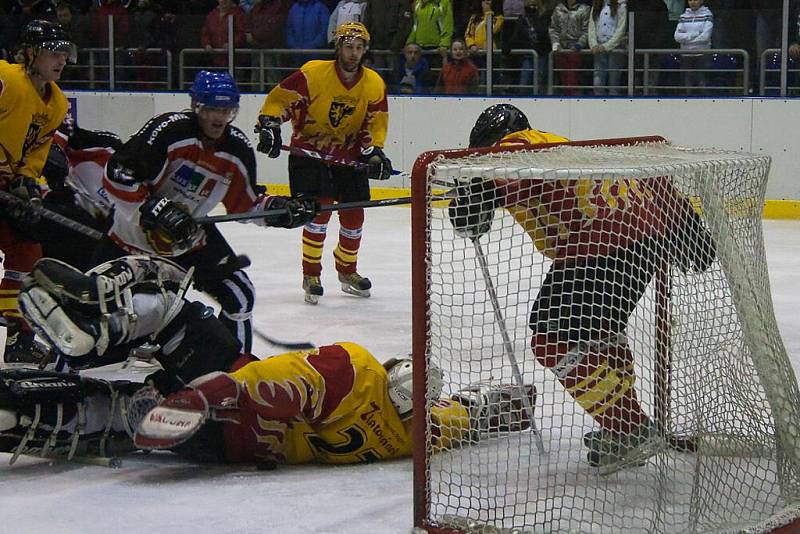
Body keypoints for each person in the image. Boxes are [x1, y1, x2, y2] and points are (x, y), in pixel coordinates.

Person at [0, 254, 536, 466]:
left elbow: (258, 382)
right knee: (116, 415)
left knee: (169, 302)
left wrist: (193, 396)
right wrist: (499, 407)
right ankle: (29, 416)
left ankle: (94, 324)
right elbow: (460, 417)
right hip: (231, 448)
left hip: (225, 394)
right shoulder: (410, 436)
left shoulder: (357, 371)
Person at [451, 104, 716, 471]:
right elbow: (650, 179)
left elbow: (511, 174)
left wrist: (481, 193)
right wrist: (686, 225)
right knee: (602, 334)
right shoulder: (565, 144)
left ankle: (630, 428)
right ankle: (622, 428)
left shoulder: (516, 147)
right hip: (648, 242)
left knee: (550, 340)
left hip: (596, 247)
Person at [96, 70, 319, 354]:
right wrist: (153, 208)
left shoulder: (236, 148)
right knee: (99, 308)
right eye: (212, 108)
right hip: (131, 237)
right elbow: (117, 173)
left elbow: (247, 204)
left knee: (240, 295)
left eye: (225, 110)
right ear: (197, 106)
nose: (219, 117)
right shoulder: (169, 131)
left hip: (186, 237)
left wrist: (281, 209)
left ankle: (237, 373)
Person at [255, 22, 391, 305]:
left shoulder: (374, 83)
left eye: (359, 48)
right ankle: (311, 274)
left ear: (365, 50)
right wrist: (269, 124)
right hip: (309, 154)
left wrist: (374, 152)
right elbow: (281, 100)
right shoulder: (313, 73)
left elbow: (375, 122)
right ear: (338, 47)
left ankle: (347, 270)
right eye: (348, 47)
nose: (353, 54)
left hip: (348, 155)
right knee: (317, 213)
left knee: (354, 216)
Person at [0, 20, 72, 366]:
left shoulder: (56, 102)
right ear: (30, 53)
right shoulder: (7, 79)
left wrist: (25, 182)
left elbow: (35, 151)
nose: (60, 60)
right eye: (52, 52)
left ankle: (19, 338)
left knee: (27, 255)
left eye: (64, 53)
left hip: (4, 185)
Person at [549, 0, 591, 95]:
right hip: (561, 49)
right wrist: (555, 43)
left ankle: (574, 100)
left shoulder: (584, 9)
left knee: (573, 78)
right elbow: (553, 29)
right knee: (563, 78)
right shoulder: (558, 9)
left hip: (576, 50)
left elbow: (587, 30)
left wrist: (579, 44)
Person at [588, 0, 627, 96]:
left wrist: (607, 46)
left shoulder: (621, 6)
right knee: (597, 83)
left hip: (615, 49)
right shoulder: (596, 6)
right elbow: (591, 27)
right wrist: (593, 44)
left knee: (614, 82)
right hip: (598, 48)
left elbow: (621, 30)